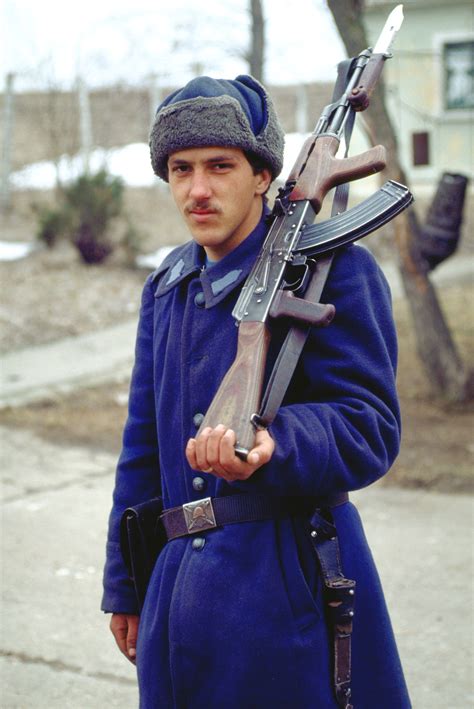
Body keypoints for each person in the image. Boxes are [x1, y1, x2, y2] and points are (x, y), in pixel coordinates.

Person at [102, 74, 411, 708]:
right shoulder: (167, 287)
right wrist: (127, 586)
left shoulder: (334, 269)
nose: (198, 189)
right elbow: (139, 449)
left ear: (263, 176)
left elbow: (371, 424)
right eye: (181, 169)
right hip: (176, 596)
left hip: (290, 586)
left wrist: (277, 443)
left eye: (221, 166)